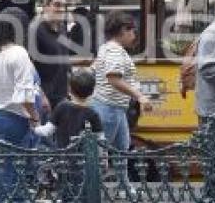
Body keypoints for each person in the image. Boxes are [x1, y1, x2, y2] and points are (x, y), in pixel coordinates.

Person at [0, 8, 41, 201]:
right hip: (13, 115)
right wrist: (34, 116)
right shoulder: (19, 53)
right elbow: (24, 94)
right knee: (12, 167)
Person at [90, 11, 151, 161]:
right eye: (133, 31)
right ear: (124, 30)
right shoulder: (115, 51)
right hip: (109, 108)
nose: (134, 35)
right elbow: (113, 78)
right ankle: (95, 184)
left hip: (113, 107)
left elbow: (94, 68)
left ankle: (124, 183)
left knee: (121, 150)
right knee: (103, 155)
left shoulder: (106, 48)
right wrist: (140, 96)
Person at [30, 0, 71, 110]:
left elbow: (64, 61)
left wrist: (69, 89)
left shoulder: (62, 28)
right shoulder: (35, 29)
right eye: (57, 5)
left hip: (61, 95)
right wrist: (41, 96)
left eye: (63, 6)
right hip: (43, 99)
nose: (61, 9)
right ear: (45, 6)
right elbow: (28, 67)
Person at [49, 68, 103, 149]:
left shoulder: (62, 106)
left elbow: (48, 130)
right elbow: (100, 139)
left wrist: (35, 127)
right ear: (92, 92)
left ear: (69, 89)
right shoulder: (93, 113)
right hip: (82, 158)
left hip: (61, 155)